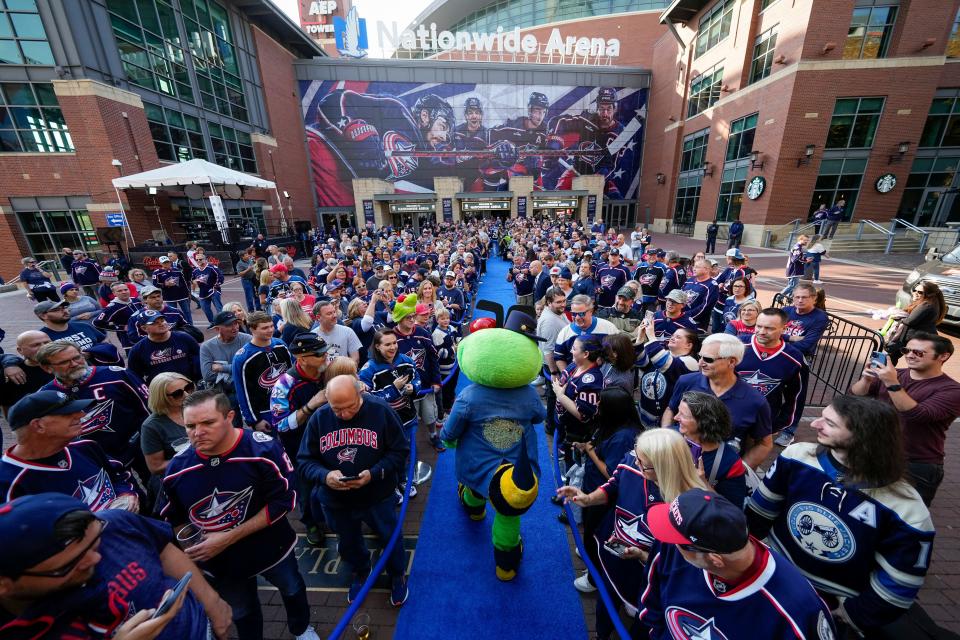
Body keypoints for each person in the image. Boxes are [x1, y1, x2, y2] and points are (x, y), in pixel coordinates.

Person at [747, 395, 935, 636]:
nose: (815, 424)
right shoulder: (797, 457)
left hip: (831, 609)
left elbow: (897, 586)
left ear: (863, 437)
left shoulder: (907, 510)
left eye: (830, 423)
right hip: (773, 578)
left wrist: (850, 617)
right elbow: (759, 513)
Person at [157, 390, 320, 640]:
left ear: (230, 417)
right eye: (190, 425)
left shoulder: (262, 449)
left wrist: (228, 537)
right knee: (242, 611)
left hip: (271, 547)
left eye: (208, 422)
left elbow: (284, 501)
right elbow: (174, 518)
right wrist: (193, 545)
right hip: (220, 561)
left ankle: (301, 628)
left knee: (292, 587)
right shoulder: (177, 470)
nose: (197, 432)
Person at [0, 493, 232, 640]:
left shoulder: (115, 524)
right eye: (70, 565)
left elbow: (161, 548)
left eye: (96, 544)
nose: (95, 559)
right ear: (5, 584)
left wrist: (213, 603)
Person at [557, 429, 709, 640]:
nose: (635, 463)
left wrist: (643, 557)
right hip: (614, 559)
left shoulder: (689, 502)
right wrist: (588, 499)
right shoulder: (632, 460)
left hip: (651, 577)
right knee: (605, 604)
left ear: (665, 466)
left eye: (643, 462)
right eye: (636, 455)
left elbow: (684, 564)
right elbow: (613, 485)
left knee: (643, 623)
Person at [640, 488, 836, 639]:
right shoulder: (677, 546)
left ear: (715, 559)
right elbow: (652, 606)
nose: (670, 542)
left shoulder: (796, 610)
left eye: (679, 543)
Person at [297, 376, 411, 607]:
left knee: (389, 536)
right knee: (347, 541)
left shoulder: (380, 411)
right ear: (327, 400)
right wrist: (324, 476)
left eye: (350, 407)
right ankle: (361, 570)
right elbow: (305, 460)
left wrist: (375, 473)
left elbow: (400, 451)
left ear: (360, 393)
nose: (345, 415)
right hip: (336, 500)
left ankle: (397, 574)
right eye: (337, 409)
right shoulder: (320, 418)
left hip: (377, 495)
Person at [850, 332, 960, 506]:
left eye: (919, 352)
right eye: (907, 350)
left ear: (943, 356)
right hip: (876, 454)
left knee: (904, 516)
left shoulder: (952, 390)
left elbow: (918, 415)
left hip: (915, 463)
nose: (909, 355)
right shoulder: (896, 375)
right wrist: (866, 379)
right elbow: (856, 394)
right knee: (862, 508)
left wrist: (891, 383)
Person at [0, 391, 140, 511]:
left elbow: (118, 475)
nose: (80, 415)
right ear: (38, 425)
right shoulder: (8, 482)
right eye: (66, 413)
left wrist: (126, 494)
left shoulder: (85, 446)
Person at [566, 388, 641, 597]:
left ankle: (595, 578)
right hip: (593, 489)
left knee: (594, 535)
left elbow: (612, 473)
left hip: (605, 498)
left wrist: (590, 451)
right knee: (590, 531)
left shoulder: (624, 437)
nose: (596, 406)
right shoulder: (611, 426)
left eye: (601, 404)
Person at [663, 333, 772, 470]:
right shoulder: (686, 381)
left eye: (708, 359)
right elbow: (670, 409)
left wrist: (737, 471)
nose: (700, 363)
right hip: (679, 463)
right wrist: (665, 439)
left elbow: (764, 444)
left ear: (732, 361)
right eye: (699, 356)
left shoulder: (755, 401)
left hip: (720, 474)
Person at [38, 340, 149, 472]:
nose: (74, 364)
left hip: (141, 447)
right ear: (47, 368)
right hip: (98, 459)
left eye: (77, 357)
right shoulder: (45, 396)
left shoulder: (117, 375)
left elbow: (149, 408)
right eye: (64, 362)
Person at [270, 333, 331, 546]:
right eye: (319, 354)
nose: (326, 357)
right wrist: (310, 406)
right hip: (301, 448)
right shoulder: (284, 384)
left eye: (325, 351)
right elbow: (281, 425)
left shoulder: (328, 370)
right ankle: (310, 522)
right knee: (305, 488)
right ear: (302, 358)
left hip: (330, 442)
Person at [358, 328, 422, 497]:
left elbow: (417, 378)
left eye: (394, 343)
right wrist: (394, 389)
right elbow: (367, 399)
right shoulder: (368, 369)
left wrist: (413, 387)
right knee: (389, 455)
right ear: (377, 346)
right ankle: (392, 485)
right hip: (385, 424)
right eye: (387, 344)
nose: (393, 347)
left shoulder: (406, 360)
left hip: (409, 418)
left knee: (409, 451)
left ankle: (406, 480)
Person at [735, 307, 807, 437]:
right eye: (759, 326)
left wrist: (777, 425)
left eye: (769, 328)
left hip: (762, 422)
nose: (762, 332)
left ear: (783, 329)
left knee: (752, 455)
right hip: (727, 417)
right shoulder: (736, 345)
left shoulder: (795, 358)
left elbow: (796, 397)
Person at [675, 391, 748, 506]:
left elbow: (732, 510)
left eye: (682, 415)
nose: (675, 417)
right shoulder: (671, 437)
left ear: (703, 422)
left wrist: (703, 483)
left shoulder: (729, 463)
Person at [232, 310, 293, 431]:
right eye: (265, 328)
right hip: (265, 411)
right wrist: (255, 420)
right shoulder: (243, 358)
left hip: (288, 404)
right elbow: (243, 392)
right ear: (252, 329)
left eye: (271, 326)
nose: (270, 330)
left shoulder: (281, 345)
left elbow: (293, 375)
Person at [636, 322, 699, 428]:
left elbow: (665, 364)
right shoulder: (663, 353)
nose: (673, 338)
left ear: (689, 345)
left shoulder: (691, 362)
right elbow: (641, 363)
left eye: (678, 337)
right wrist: (640, 338)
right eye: (673, 335)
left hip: (666, 421)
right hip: (646, 414)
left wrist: (651, 336)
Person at [141, 373, 193, 477]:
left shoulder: (200, 408)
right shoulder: (152, 426)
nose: (187, 394)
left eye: (188, 388)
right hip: (181, 477)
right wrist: (192, 458)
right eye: (177, 394)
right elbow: (155, 467)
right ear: (162, 398)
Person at [127, 310, 201, 384]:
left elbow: (199, 359)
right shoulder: (137, 350)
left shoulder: (184, 338)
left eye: (162, 320)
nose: (161, 324)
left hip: (189, 386)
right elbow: (134, 376)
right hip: (160, 392)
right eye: (155, 323)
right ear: (144, 328)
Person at [199, 310, 252, 407]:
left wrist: (222, 368)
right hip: (222, 394)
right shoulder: (207, 347)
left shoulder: (247, 339)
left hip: (247, 389)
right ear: (217, 329)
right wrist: (239, 369)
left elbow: (251, 368)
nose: (235, 328)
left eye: (236, 323)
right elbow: (207, 375)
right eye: (229, 325)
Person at [885, 280, 945, 365]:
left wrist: (898, 317)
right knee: (893, 356)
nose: (916, 293)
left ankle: (884, 374)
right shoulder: (930, 303)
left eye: (920, 292)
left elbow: (910, 321)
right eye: (914, 290)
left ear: (929, 294)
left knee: (893, 357)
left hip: (916, 338)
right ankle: (885, 373)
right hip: (918, 337)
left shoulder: (926, 305)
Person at [553, 294, 619, 371]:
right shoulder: (565, 333)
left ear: (591, 311)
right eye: (574, 314)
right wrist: (567, 377)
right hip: (576, 379)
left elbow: (619, 350)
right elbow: (559, 357)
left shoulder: (608, 328)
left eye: (581, 314)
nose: (577, 318)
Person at [0, 330, 53, 414]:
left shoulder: (66, 363)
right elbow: (8, 405)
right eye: (36, 345)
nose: (44, 347)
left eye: (47, 343)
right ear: (20, 350)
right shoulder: (12, 374)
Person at [35, 299, 106, 351]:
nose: (65, 311)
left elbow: (105, 342)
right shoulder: (43, 338)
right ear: (44, 316)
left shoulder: (83, 326)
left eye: (64, 308)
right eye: (57, 309)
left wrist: (93, 353)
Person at [93, 281, 144, 351]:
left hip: (144, 334)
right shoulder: (112, 307)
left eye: (125, 289)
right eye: (119, 291)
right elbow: (97, 323)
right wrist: (121, 327)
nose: (124, 292)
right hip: (129, 339)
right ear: (114, 293)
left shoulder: (136, 300)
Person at [311, 299, 361, 363]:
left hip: (345, 371)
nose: (335, 316)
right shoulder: (313, 336)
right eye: (329, 314)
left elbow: (355, 359)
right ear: (318, 317)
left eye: (334, 312)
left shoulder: (347, 331)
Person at [151, 256, 193, 325]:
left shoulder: (177, 270)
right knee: (173, 312)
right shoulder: (157, 272)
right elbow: (155, 284)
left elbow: (184, 282)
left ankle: (191, 325)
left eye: (167, 262)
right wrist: (165, 284)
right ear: (160, 263)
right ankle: (176, 326)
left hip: (182, 295)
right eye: (164, 263)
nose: (166, 264)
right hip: (169, 297)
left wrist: (188, 293)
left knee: (187, 311)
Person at [191, 254, 224, 324]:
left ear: (205, 259)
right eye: (197, 260)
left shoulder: (212, 267)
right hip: (202, 293)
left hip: (213, 290)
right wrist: (195, 283)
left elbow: (220, 277)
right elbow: (192, 280)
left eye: (200, 259)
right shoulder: (195, 271)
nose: (198, 261)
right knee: (205, 308)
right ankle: (212, 322)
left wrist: (216, 285)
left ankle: (223, 322)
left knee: (219, 308)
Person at [780, 234, 809, 299]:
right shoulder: (797, 248)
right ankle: (779, 297)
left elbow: (797, 258)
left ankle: (789, 298)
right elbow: (795, 259)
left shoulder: (799, 247)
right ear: (800, 239)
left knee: (794, 286)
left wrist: (805, 259)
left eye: (807, 240)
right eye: (805, 240)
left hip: (795, 270)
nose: (806, 242)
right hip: (794, 270)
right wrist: (805, 261)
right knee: (792, 285)